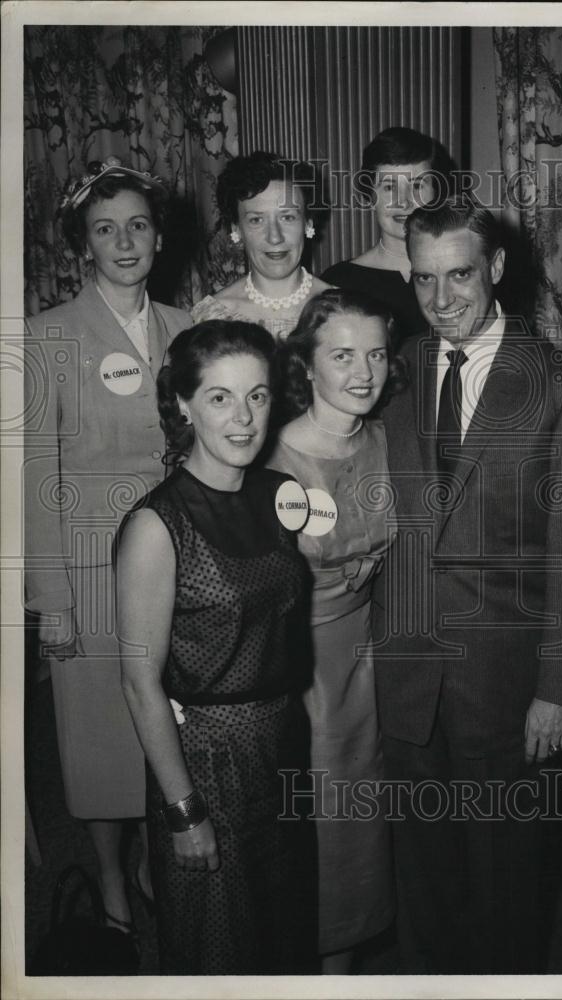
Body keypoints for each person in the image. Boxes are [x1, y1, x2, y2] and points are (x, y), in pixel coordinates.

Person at [371, 195, 562, 973]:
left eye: (459, 277)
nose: (440, 301)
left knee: (506, 879)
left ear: (497, 268)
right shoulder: (394, 368)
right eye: (422, 280)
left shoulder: (557, 378)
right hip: (405, 672)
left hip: (508, 684)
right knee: (423, 878)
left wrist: (559, 688)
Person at [115, 320, 316, 973]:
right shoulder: (157, 525)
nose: (243, 417)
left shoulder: (277, 495)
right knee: (218, 949)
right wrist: (181, 812)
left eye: (256, 396)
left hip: (281, 745)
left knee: (285, 935)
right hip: (206, 762)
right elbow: (139, 683)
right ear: (181, 403)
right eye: (220, 397)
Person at [24, 157, 191, 934]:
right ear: (82, 246)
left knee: (170, 723)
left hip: (179, 564)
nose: (123, 241)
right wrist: (49, 603)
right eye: (104, 229)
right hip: (90, 575)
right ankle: (110, 877)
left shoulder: (187, 329)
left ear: (158, 237)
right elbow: (30, 477)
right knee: (97, 743)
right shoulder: (45, 335)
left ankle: (162, 865)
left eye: (137, 225)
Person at [267, 289, 405, 972]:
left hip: (369, 659)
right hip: (299, 671)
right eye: (342, 355)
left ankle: (339, 975)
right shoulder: (273, 462)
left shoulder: (384, 438)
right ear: (307, 364)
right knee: (312, 827)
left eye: (376, 354)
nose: (363, 373)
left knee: (360, 830)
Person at [321, 126, 452, 340]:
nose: (404, 201)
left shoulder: (462, 276)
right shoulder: (338, 284)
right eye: (389, 188)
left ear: (437, 193)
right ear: (370, 196)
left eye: (418, 185)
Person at [191, 151, 330, 341]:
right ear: (237, 229)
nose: (275, 237)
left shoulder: (341, 310)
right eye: (256, 220)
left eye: (287, 217)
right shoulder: (213, 318)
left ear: (308, 223)